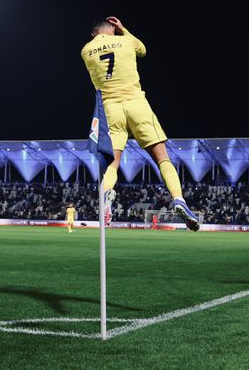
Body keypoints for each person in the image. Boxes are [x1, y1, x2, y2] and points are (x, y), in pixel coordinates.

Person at [81, 16, 199, 231]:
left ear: (93, 34)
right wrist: (123, 29)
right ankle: (179, 199)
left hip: (110, 108)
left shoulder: (86, 51)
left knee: (112, 163)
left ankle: (106, 196)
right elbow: (142, 50)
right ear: (113, 30)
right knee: (162, 157)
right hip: (136, 103)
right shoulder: (125, 41)